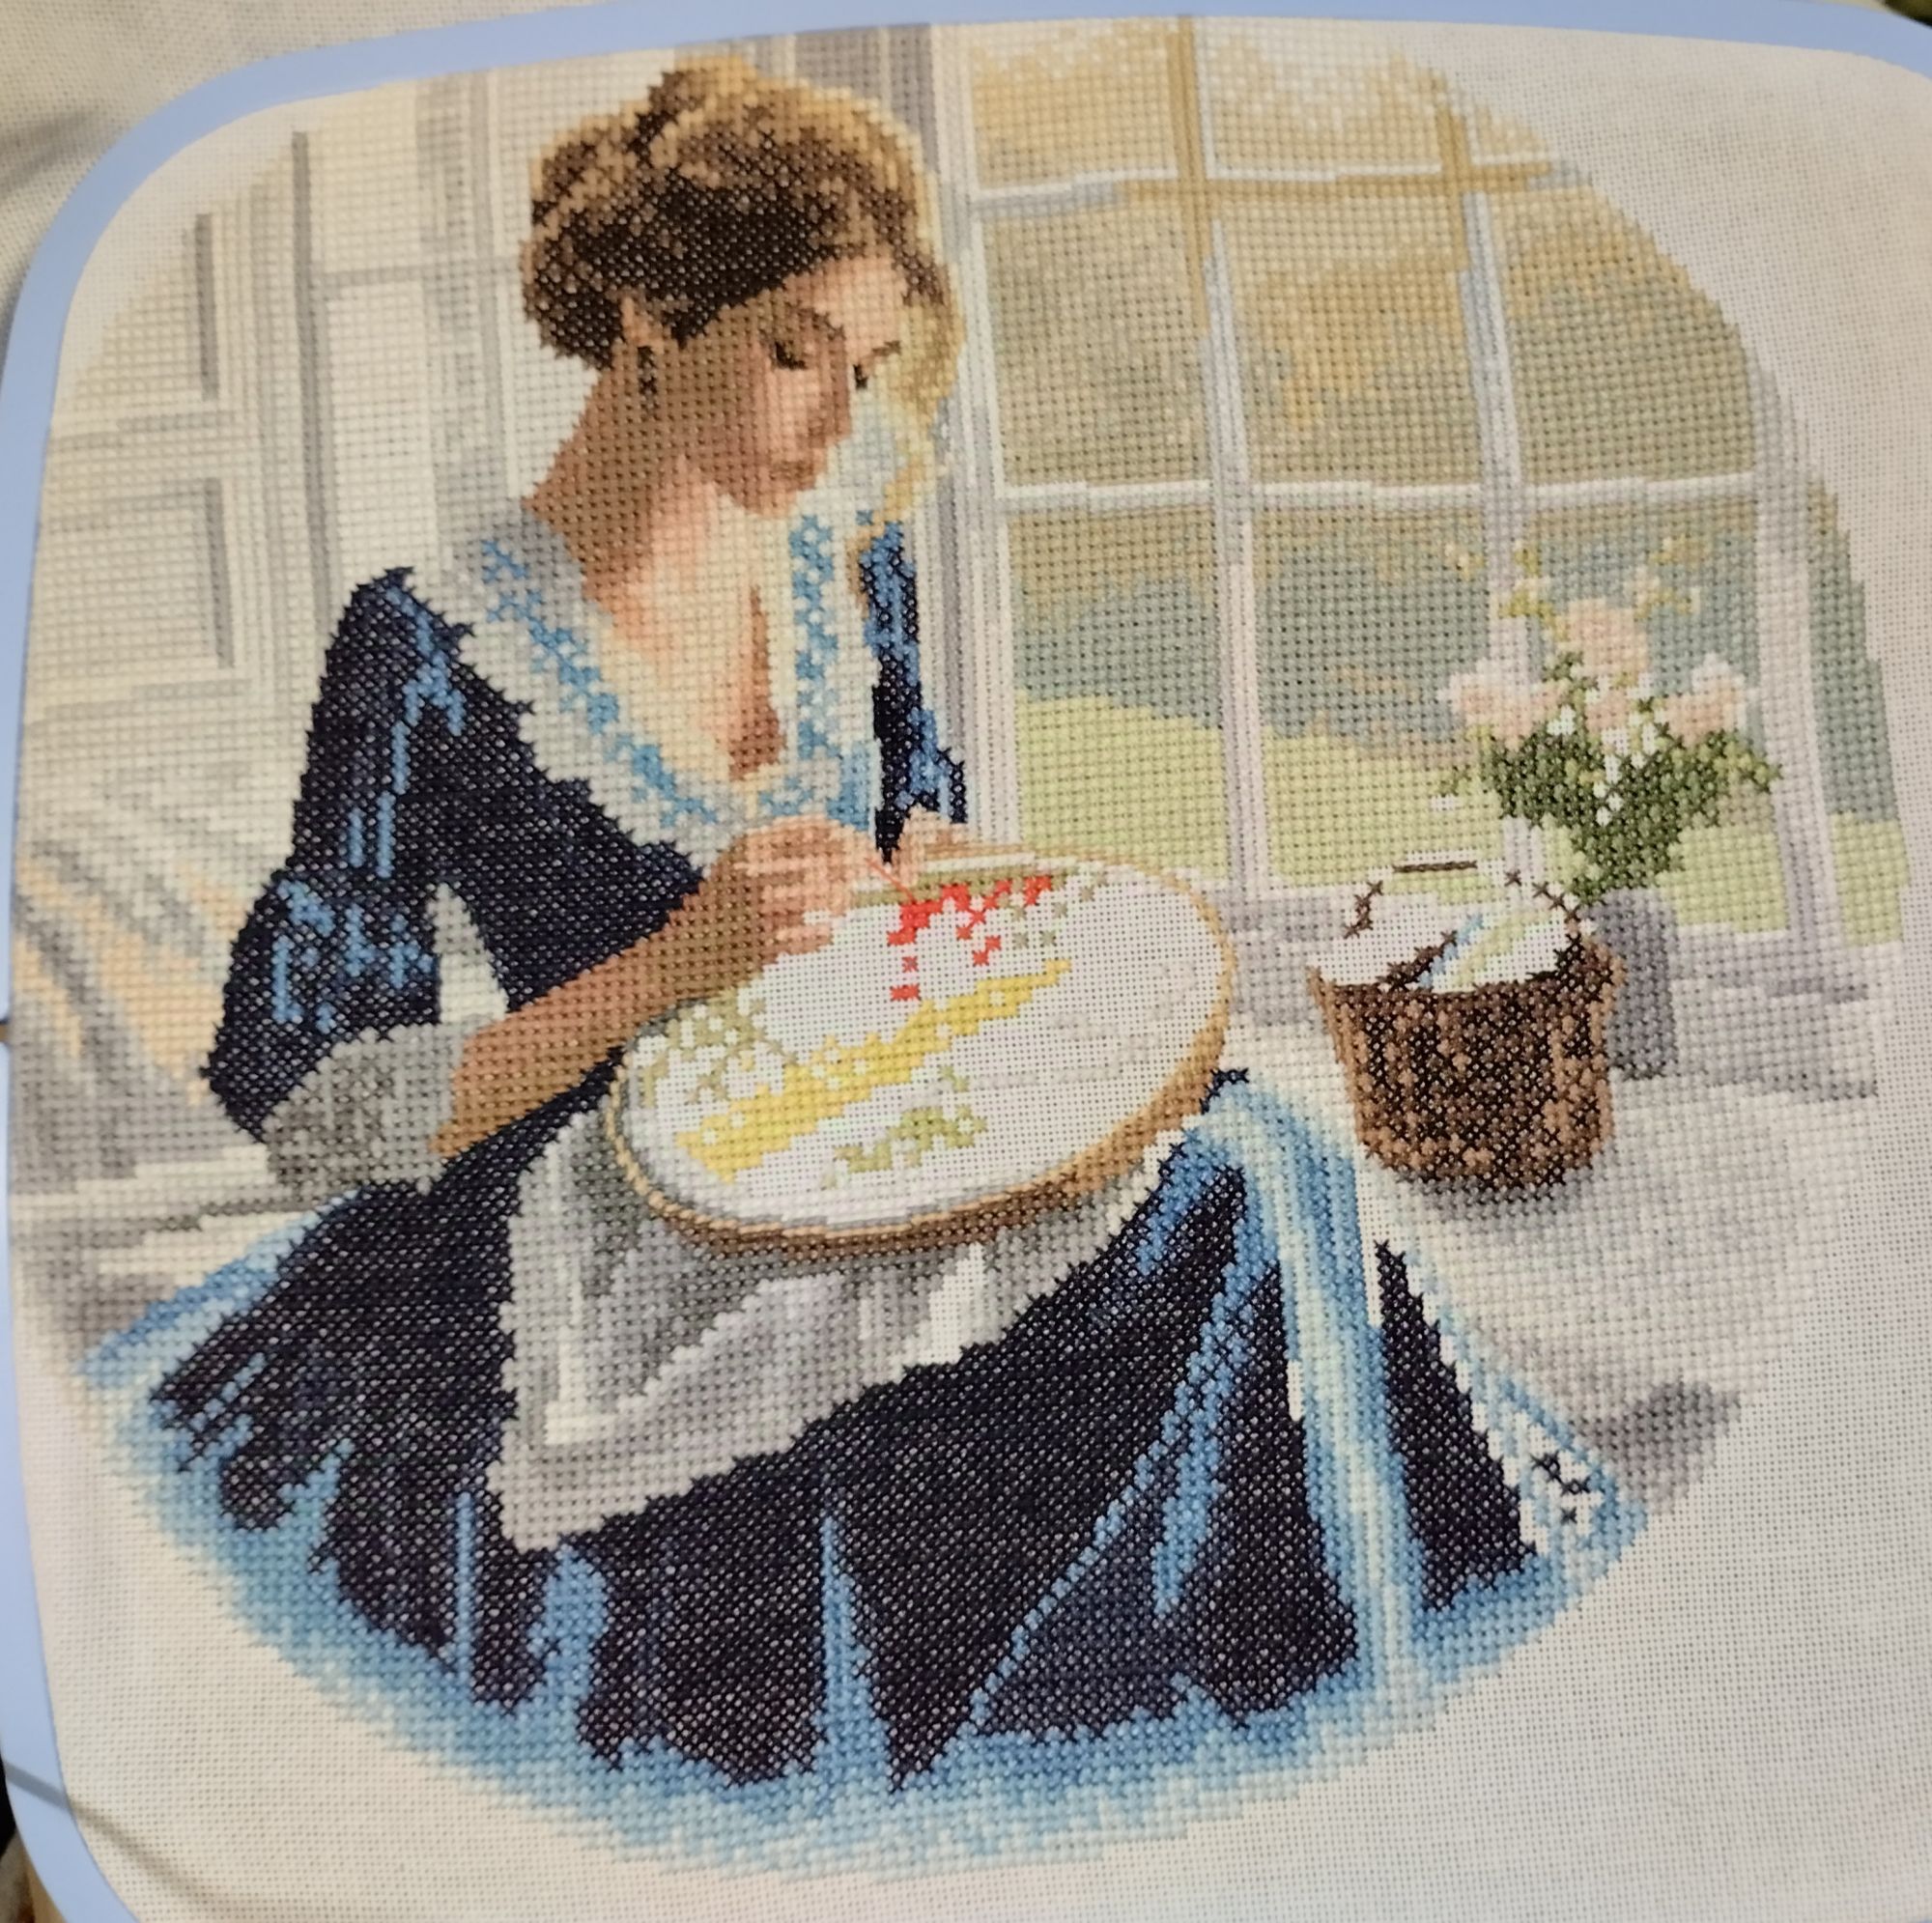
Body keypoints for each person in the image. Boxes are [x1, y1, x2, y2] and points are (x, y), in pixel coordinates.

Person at [100, 59, 1634, 1806]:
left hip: (885, 1111)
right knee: (1219, 1208)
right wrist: (667, 972)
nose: (840, 415)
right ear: (647, 319)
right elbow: (313, 1107)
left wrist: (944, 877)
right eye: (794, 351)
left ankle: (1389, 1705)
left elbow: (916, 830)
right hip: (624, 1199)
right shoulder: (429, 649)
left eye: (870, 364)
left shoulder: (845, 562)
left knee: (1260, 1155)